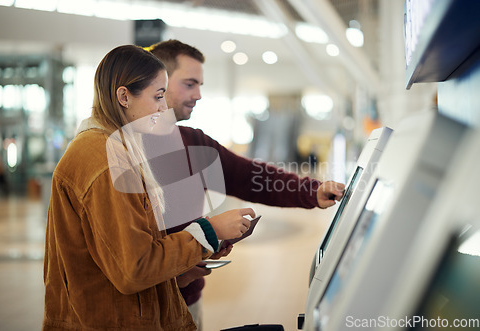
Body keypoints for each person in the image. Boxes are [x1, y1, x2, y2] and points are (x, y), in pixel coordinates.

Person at [43, 45, 256, 330]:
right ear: (124, 96)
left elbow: (122, 258)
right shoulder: (104, 160)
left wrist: (184, 268)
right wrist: (210, 230)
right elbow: (134, 269)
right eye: (157, 96)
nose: (162, 107)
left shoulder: (117, 147)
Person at [147, 39, 345, 329]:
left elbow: (252, 177)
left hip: (188, 303)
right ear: (158, 83)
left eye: (200, 85)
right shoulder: (122, 153)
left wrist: (311, 191)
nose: (199, 94)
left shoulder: (194, 143)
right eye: (190, 84)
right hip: (143, 311)